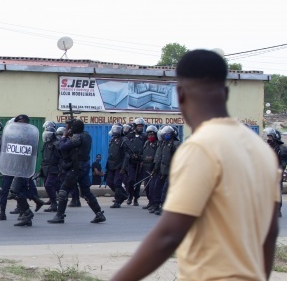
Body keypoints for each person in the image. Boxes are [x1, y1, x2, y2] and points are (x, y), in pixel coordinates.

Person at [112, 49, 280, 281]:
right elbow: (270, 233)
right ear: (226, 92)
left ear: (180, 94)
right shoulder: (262, 150)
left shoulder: (200, 147)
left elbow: (169, 235)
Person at [48, 119, 105, 224]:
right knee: (86, 192)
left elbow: (62, 146)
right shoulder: (87, 136)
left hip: (76, 168)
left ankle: (59, 215)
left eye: (69, 127)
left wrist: (64, 135)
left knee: (63, 190)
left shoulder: (77, 137)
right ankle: (99, 213)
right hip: (84, 167)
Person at [263, 127, 287, 217]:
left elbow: (283, 164)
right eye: (268, 137)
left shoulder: (282, 148)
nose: (269, 139)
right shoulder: (269, 148)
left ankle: (278, 210)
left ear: (275, 137)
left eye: (270, 137)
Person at [124, 118, 147, 206]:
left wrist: (142, 159)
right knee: (131, 180)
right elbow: (125, 148)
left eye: (141, 126)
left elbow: (146, 149)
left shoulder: (145, 137)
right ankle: (130, 195)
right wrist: (130, 155)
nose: (140, 128)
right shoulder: (130, 136)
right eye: (139, 126)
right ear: (135, 126)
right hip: (131, 162)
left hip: (140, 162)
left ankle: (136, 198)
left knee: (138, 181)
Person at [40, 127, 62, 213]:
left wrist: (60, 169)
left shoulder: (56, 144)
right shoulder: (45, 144)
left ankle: (54, 204)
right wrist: (41, 169)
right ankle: (61, 198)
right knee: (52, 185)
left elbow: (60, 158)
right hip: (45, 168)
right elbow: (44, 157)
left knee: (48, 185)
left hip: (54, 168)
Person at [140, 125, 159, 211]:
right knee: (146, 187)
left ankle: (155, 203)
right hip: (145, 167)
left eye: (152, 135)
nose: (150, 137)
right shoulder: (146, 143)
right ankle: (150, 202)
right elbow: (143, 154)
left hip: (153, 168)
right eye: (149, 135)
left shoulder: (158, 144)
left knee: (152, 187)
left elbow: (159, 155)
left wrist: (153, 159)